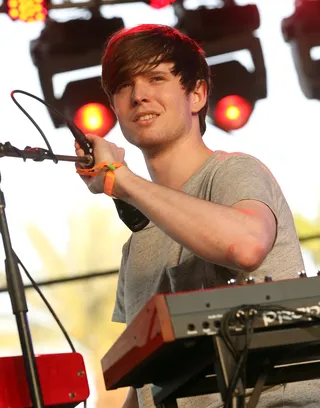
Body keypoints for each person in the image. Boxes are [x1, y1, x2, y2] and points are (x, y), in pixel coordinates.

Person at [75, 24, 319, 408]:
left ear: (198, 94)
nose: (139, 95)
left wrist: (122, 181)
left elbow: (247, 244)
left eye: (156, 78)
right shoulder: (137, 245)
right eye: (124, 85)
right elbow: (146, 384)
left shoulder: (233, 171)